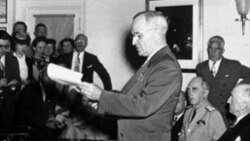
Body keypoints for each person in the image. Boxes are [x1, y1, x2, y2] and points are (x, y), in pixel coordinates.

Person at [80, 11, 182, 141]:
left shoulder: (166, 66)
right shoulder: (155, 61)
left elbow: (144, 105)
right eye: (133, 36)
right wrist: (101, 99)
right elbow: (132, 97)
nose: (133, 42)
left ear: (156, 34)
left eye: (138, 35)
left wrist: (101, 96)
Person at [196, 35, 250, 125]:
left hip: (227, 113)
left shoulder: (233, 65)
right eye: (210, 48)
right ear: (207, 49)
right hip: (208, 112)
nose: (213, 52)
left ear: (222, 51)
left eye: (216, 49)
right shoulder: (201, 67)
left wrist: (238, 88)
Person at [179, 77, 226, 141]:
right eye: (188, 90)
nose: (190, 93)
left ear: (205, 93)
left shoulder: (213, 114)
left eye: (194, 89)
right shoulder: (188, 112)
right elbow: (182, 136)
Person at [0, 30, 21, 126]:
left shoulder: (13, 60)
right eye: (0, 46)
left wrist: (14, 85)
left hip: (8, 110)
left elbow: (18, 82)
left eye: (6, 46)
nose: (2, 50)